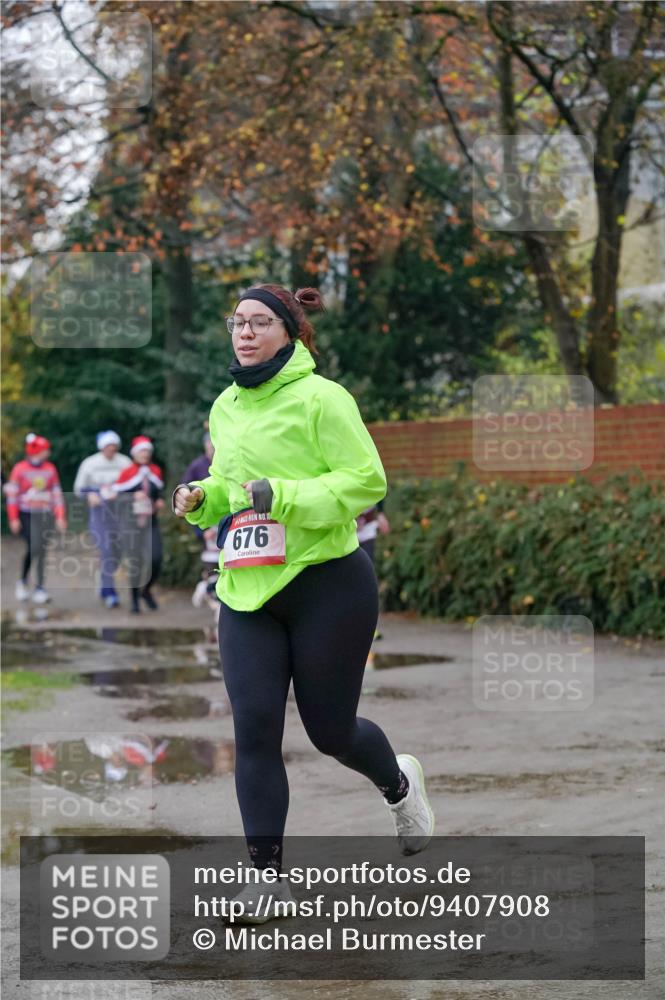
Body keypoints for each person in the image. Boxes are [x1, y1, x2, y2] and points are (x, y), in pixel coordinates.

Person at [172, 283, 434, 921]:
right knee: (254, 728)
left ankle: (398, 784)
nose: (246, 332)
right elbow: (232, 484)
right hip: (246, 587)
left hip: (327, 583)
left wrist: (279, 496)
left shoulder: (324, 398)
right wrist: (202, 499)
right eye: (238, 322)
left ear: (290, 331)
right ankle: (267, 878)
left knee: (330, 731)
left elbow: (366, 481)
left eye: (260, 322)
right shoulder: (226, 406)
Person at [5, 433, 67, 603]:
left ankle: (40, 587)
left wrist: (60, 515)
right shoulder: (19, 469)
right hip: (26, 514)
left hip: (45, 514)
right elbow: (12, 496)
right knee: (34, 546)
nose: (48, 452)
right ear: (36, 451)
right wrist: (13, 518)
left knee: (42, 550)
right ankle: (23, 581)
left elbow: (56, 494)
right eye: (45, 449)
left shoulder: (50, 469)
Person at [73, 431, 132, 608]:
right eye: (108, 446)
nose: (111, 450)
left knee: (117, 551)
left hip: (120, 512)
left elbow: (132, 484)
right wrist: (89, 494)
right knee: (106, 550)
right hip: (100, 513)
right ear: (102, 447)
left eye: (114, 446)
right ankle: (110, 592)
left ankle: (104, 579)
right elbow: (79, 488)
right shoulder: (90, 463)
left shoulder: (124, 462)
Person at [113, 436, 164, 614]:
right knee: (136, 562)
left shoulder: (155, 471)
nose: (145, 454)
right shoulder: (126, 473)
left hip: (151, 522)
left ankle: (146, 590)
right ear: (135, 453)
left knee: (156, 558)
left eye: (148, 451)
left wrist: (159, 501)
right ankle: (134, 599)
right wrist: (132, 497)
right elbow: (116, 498)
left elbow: (158, 492)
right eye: (142, 451)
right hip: (131, 523)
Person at [357, 499, 391, 641]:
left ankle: (370, 627)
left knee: (367, 578)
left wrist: (381, 513)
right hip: (343, 533)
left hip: (367, 531)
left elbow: (379, 486)